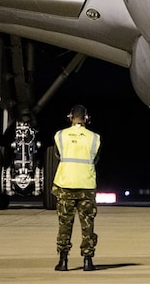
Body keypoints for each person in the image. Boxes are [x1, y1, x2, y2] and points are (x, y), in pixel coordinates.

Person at [52, 104, 101, 272]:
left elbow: (58, 155)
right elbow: (96, 158)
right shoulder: (94, 137)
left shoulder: (60, 135)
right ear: (86, 118)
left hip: (65, 185)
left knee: (64, 224)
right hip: (86, 186)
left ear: (70, 117)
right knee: (87, 224)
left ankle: (63, 261)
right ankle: (88, 260)